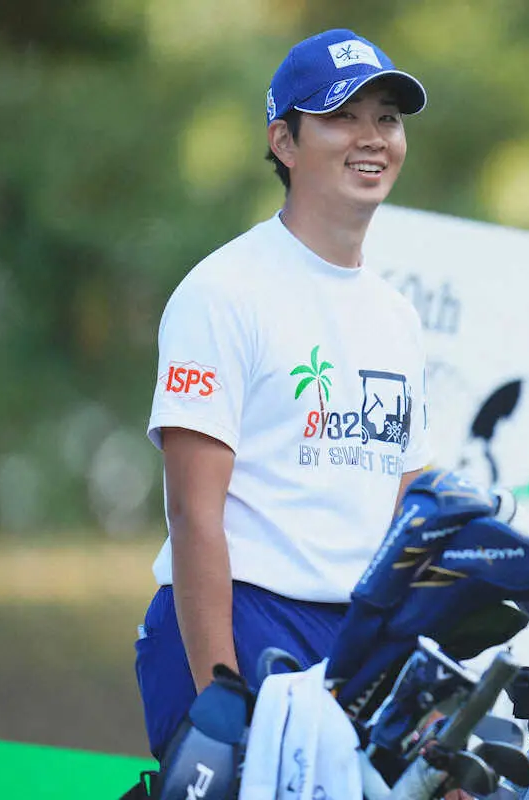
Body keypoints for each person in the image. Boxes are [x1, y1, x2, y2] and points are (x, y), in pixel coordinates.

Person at [135, 28, 432, 762]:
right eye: (342, 117)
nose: (372, 138)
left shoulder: (398, 317)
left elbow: (407, 518)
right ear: (285, 142)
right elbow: (194, 515)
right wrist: (220, 694)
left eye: (387, 118)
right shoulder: (222, 293)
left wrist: (415, 695)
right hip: (242, 617)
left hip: (354, 641)